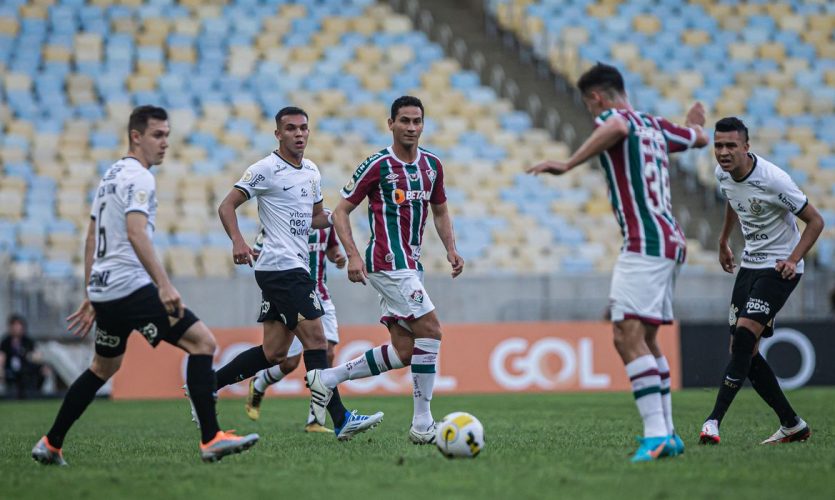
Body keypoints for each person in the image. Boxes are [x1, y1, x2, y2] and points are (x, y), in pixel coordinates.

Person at [31, 105, 258, 466]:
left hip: (106, 291)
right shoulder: (139, 177)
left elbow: (92, 237)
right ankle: (211, 437)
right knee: (202, 343)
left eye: (167, 135)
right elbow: (136, 232)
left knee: (102, 369)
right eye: (157, 135)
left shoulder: (110, 176)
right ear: (135, 136)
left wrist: (92, 292)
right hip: (129, 288)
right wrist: (164, 284)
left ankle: (51, 443)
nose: (165, 143)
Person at [527, 63, 708, 462]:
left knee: (625, 336)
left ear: (597, 97)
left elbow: (616, 129)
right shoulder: (655, 125)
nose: (593, 116)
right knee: (645, 337)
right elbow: (699, 138)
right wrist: (695, 126)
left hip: (644, 243)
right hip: (670, 241)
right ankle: (669, 434)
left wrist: (568, 163)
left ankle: (656, 435)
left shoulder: (616, 118)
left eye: (590, 107)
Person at [214, 106, 382, 441]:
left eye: (304, 128)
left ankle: (207, 385)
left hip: (291, 268)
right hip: (282, 268)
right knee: (318, 343)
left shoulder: (311, 172)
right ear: (278, 134)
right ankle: (340, 419)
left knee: (274, 353)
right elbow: (226, 205)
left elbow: (315, 218)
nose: (299, 134)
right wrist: (238, 241)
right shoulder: (266, 168)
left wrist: (342, 214)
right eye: (290, 128)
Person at [306, 95, 464, 445]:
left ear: (423, 124)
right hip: (387, 263)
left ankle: (327, 378)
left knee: (406, 351)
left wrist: (452, 248)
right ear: (390, 124)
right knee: (432, 330)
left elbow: (439, 211)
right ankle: (423, 424)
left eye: (417, 121)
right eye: (404, 121)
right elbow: (341, 211)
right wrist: (352, 255)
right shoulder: (377, 165)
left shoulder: (432, 166)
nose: (411, 127)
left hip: (412, 266)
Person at [699, 117, 823, 445]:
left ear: (746, 147)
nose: (723, 152)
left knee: (743, 338)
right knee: (743, 350)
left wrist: (793, 259)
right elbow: (733, 200)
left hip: (780, 268)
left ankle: (713, 421)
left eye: (730, 146)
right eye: (718, 145)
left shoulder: (773, 180)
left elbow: (815, 221)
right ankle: (792, 424)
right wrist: (724, 240)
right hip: (750, 264)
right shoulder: (722, 173)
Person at [244, 226, 346, 434]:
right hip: (293, 296)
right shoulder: (282, 219)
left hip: (322, 297)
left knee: (327, 353)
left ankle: (315, 418)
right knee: (288, 362)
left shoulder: (326, 222)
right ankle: (260, 383)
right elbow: (258, 252)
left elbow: (332, 247)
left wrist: (337, 257)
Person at [1, 314, 47, 399]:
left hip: (26, 368)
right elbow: (2, 357)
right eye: (14, 325)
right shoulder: (5, 342)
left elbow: (37, 356)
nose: (16, 328)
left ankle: (35, 393)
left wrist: (30, 356)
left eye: (18, 325)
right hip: (11, 369)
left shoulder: (28, 341)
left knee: (43, 370)